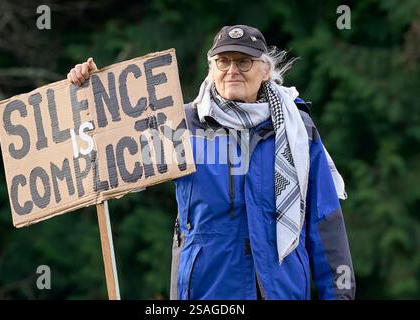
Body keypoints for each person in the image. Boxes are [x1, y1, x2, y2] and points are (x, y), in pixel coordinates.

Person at [67, 24, 355, 300]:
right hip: (207, 289)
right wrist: (90, 92)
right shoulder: (181, 124)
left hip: (281, 289)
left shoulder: (296, 129)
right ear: (211, 68)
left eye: (244, 62)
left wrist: (339, 294)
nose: (232, 70)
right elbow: (114, 154)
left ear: (265, 70)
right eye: (223, 61)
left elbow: (324, 218)